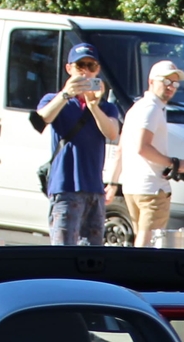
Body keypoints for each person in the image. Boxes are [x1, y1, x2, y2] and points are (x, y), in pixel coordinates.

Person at [36, 43, 123, 247]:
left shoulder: (106, 107)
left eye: (91, 66)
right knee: (63, 251)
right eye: (80, 66)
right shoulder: (53, 100)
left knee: (91, 254)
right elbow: (41, 120)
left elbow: (111, 132)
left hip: (94, 189)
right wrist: (66, 94)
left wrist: (93, 105)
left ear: (97, 70)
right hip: (66, 187)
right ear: (69, 69)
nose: (85, 71)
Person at [119, 61, 184, 248]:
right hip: (152, 187)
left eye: (175, 84)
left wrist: (112, 182)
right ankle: (140, 275)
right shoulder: (152, 108)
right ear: (151, 81)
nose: (171, 87)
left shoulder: (137, 107)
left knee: (141, 238)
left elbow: (122, 146)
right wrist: (175, 163)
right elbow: (143, 147)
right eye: (166, 81)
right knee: (148, 243)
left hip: (133, 186)